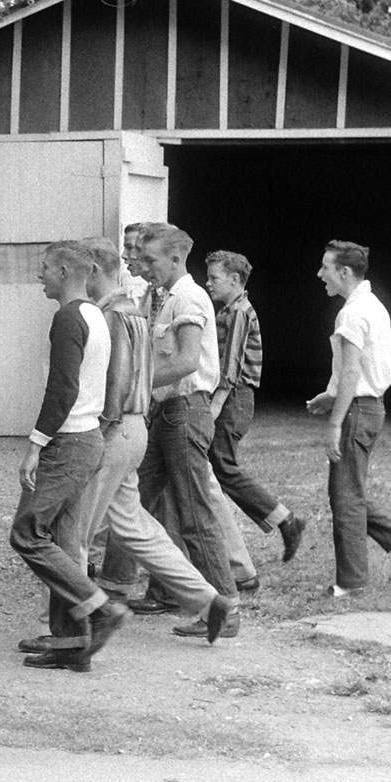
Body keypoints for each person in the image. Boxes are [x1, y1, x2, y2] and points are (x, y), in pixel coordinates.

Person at [21, 239, 231, 656]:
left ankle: (71, 628)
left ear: (92, 270)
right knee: (136, 528)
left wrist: (99, 429)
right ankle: (209, 600)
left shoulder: (110, 316)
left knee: (73, 535)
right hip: (138, 428)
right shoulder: (135, 311)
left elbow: (112, 383)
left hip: (112, 430)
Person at [10, 241, 130, 674]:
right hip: (89, 438)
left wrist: (35, 445)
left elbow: (62, 390)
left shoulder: (67, 317)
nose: (39, 275)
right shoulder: (95, 313)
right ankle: (72, 641)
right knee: (62, 540)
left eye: (44, 268)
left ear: (65, 270)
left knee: (26, 534)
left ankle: (99, 608)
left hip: (69, 442)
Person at [306, 240, 391, 596]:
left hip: (358, 410)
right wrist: (331, 396)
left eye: (325, 268)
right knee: (349, 492)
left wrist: (334, 422)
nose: (320, 274)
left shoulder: (352, 313)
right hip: (369, 406)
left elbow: (352, 372)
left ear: (344, 272)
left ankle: (351, 583)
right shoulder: (372, 305)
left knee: (346, 498)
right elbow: (363, 368)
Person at [134, 223, 241, 639]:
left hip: (184, 413)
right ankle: (164, 589)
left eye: (150, 260)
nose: (143, 267)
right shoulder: (162, 298)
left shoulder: (190, 297)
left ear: (176, 259)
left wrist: (134, 382)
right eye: (140, 260)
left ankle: (226, 610)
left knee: (195, 516)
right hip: (164, 413)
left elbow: (186, 361)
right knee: (134, 506)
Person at [205, 250, 306, 565]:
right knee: (218, 468)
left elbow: (232, 365)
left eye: (213, 278)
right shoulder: (228, 310)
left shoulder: (239, 313)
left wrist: (215, 406)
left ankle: (285, 520)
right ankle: (281, 520)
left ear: (235, 280)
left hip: (234, 398)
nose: (207, 284)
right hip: (234, 397)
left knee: (222, 467)